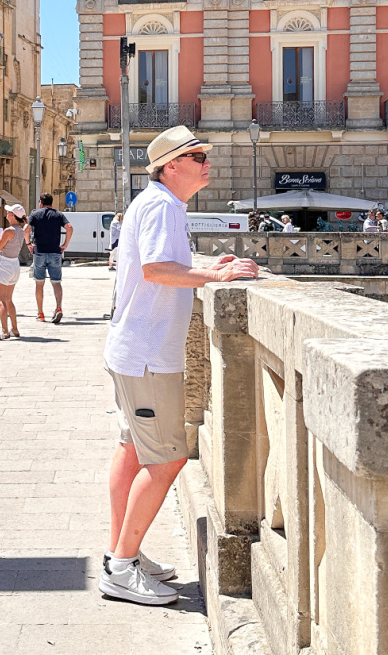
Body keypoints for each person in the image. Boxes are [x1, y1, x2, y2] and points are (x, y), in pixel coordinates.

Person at [101, 126, 258, 607]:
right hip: (148, 356)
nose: (205, 160)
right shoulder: (163, 206)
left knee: (133, 452)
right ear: (171, 165)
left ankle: (121, 554)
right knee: (168, 458)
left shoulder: (159, 203)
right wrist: (212, 273)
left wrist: (205, 264)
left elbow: (163, 263)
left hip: (135, 351)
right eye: (196, 155)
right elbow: (155, 268)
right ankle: (122, 569)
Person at [27, 192, 72, 324]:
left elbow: (26, 228)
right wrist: (65, 244)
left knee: (39, 283)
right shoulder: (58, 215)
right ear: (52, 203)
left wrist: (29, 244)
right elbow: (69, 227)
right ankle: (58, 308)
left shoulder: (35, 214)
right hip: (55, 252)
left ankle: (40, 313)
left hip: (40, 252)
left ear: (40, 202)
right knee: (56, 282)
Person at [0, 203, 28, 341]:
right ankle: (14, 328)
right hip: (14, 264)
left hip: (4, 264)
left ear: (13, 216)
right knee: (9, 299)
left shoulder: (9, 231)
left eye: (9, 212)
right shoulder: (21, 230)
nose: (7, 214)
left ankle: (4, 330)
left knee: (0, 299)